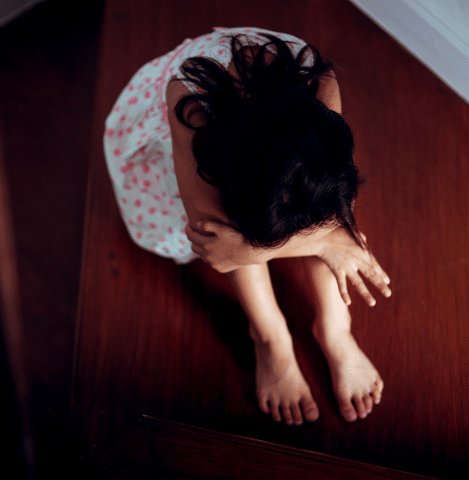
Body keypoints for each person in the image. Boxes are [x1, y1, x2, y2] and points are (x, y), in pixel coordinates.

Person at [103, 27, 391, 425]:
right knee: (245, 227)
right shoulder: (189, 101)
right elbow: (212, 238)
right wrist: (323, 242)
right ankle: (270, 338)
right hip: (188, 162)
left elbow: (331, 180)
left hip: (269, 164)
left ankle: (335, 328)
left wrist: (324, 238)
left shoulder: (318, 82)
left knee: (319, 204)